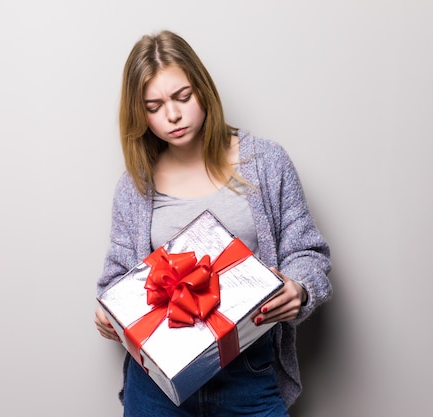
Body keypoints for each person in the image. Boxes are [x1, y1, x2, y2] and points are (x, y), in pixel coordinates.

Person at [94, 30, 332, 417]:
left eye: (182, 97)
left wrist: (300, 288)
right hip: (158, 385)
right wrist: (110, 313)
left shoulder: (266, 162)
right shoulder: (135, 185)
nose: (172, 115)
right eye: (154, 107)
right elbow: (117, 277)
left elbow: (307, 252)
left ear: (203, 89)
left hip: (248, 371)